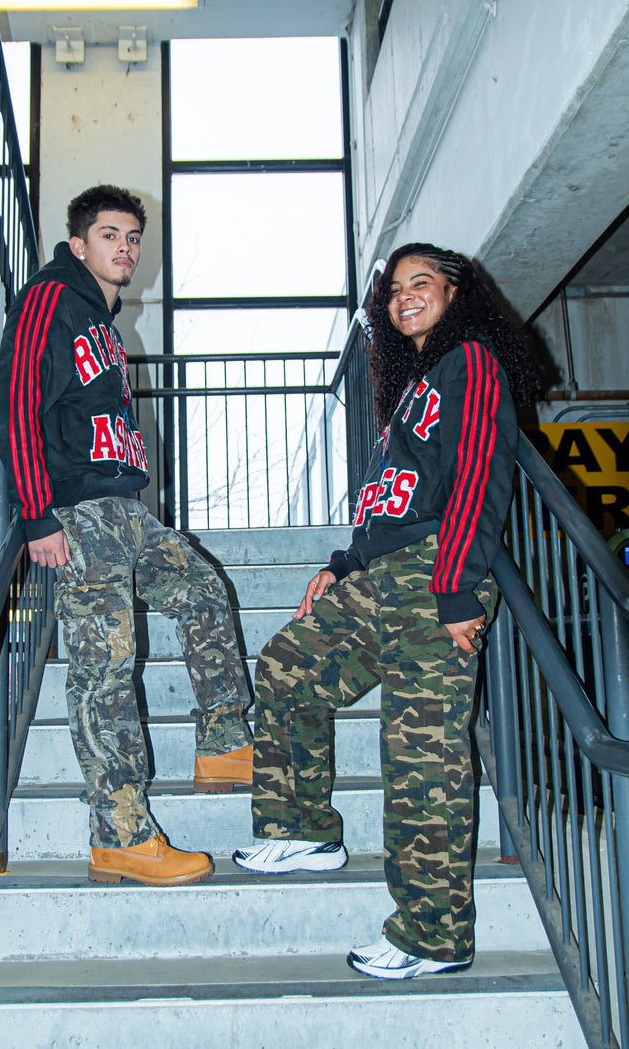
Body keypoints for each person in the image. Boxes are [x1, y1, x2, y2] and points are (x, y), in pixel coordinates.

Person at [232, 243, 541, 977]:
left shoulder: (471, 361)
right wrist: (344, 564)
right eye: (394, 289)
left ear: (455, 292)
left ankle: (433, 936)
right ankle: (303, 829)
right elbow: (393, 502)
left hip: (439, 572)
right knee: (286, 668)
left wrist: (457, 587)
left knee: (420, 758)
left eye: (420, 283)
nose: (404, 296)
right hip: (387, 574)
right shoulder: (414, 386)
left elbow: (478, 475)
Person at [0, 185, 252, 887]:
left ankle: (224, 744)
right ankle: (121, 835)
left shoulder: (105, 324)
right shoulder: (51, 298)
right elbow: (13, 398)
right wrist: (36, 514)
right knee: (105, 670)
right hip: (79, 513)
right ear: (79, 244)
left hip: (125, 510)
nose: (126, 248)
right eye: (110, 235)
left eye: (133, 237)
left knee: (203, 591)